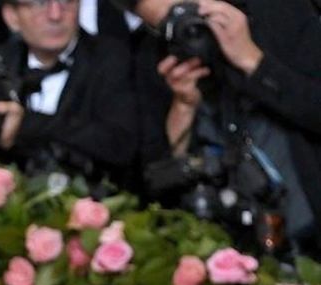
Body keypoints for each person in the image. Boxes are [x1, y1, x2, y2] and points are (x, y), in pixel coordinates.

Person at [116, 0, 321, 256]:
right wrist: (183, 107)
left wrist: (253, 61)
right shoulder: (150, 58)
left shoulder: (279, 12)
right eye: (167, 25)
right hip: (230, 253)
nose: (184, 29)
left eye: (185, 12)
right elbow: (156, 184)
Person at [0, 0, 139, 185]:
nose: (55, 15)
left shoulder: (111, 58)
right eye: (39, 3)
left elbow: (120, 144)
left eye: (66, 1)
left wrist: (25, 124)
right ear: (12, 16)